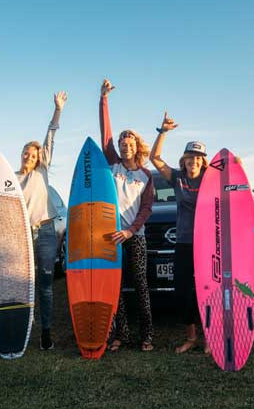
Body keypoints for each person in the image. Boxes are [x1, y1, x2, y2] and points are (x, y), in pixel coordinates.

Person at [0, 91, 67, 350]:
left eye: (33, 155)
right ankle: (23, 327)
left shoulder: (42, 171)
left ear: (39, 158)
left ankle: (45, 332)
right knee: (20, 283)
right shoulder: (12, 180)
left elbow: (51, 135)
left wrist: (58, 109)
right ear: (20, 155)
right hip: (19, 236)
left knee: (44, 283)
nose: (28, 157)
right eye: (25, 154)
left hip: (44, 232)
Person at [99, 79, 155, 352]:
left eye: (129, 143)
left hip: (135, 237)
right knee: (115, 288)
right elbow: (106, 134)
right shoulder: (113, 165)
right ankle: (121, 334)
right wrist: (104, 99)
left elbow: (146, 209)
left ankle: (146, 336)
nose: (124, 146)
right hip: (111, 237)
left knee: (141, 286)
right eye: (122, 143)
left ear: (137, 146)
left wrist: (131, 230)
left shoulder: (145, 176)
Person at [149, 111, 209, 354]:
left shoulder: (211, 179)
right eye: (189, 158)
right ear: (183, 161)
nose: (193, 162)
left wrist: (237, 163)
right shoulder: (178, 179)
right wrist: (162, 131)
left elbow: (233, 182)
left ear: (203, 162)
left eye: (198, 159)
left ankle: (210, 337)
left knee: (208, 291)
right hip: (184, 243)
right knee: (182, 291)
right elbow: (155, 158)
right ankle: (191, 337)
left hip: (207, 244)